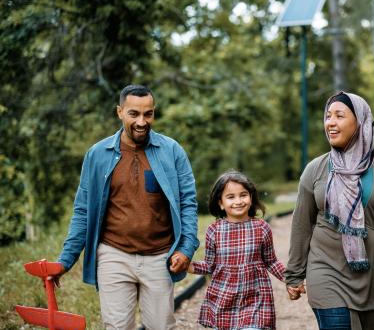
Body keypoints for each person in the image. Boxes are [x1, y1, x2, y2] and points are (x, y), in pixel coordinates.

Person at [55, 84, 199, 330]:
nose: (142, 121)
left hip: (160, 257)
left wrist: (185, 249)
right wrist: (65, 261)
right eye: (134, 114)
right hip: (114, 255)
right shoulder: (97, 154)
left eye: (148, 114)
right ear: (120, 112)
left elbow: (188, 203)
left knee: (161, 326)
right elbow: (83, 211)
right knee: (117, 327)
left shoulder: (172, 151)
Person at [285, 91, 374, 330]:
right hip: (327, 271)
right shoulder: (315, 170)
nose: (330, 122)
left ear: (360, 121)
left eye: (339, 115)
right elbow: (302, 224)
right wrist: (295, 274)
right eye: (328, 116)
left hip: (373, 278)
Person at [187, 170, 285, 330]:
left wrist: (291, 278)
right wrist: (189, 266)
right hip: (224, 298)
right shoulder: (215, 230)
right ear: (220, 203)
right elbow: (210, 265)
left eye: (243, 195)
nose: (238, 201)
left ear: (251, 197)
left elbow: (271, 261)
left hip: (255, 298)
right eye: (231, 197)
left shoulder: (261, 228)